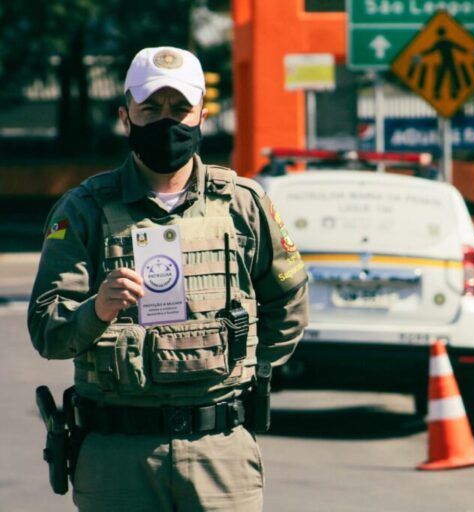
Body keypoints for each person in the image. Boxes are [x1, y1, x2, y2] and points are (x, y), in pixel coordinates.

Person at [27, 46, 309, 511]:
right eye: (151, 108)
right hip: (117, 456)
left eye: (180, 108)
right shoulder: (83, 210)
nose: (166, 120)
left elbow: (289, 299)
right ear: (126, 117)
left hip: (219, 452)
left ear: (202, 115)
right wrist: (97, 310)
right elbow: (48, 333)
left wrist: (243, 370)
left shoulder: (242, 204)